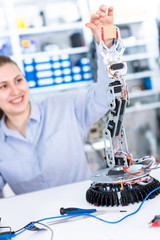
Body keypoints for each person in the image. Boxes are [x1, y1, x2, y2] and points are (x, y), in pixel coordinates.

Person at [0, 5, 114, 196]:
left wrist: (106, 43)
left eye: (18, 80)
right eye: (3, 86)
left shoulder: (64, 106)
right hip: (34, 224)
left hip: (88, 213)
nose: (15, 90)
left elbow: (106, 95)